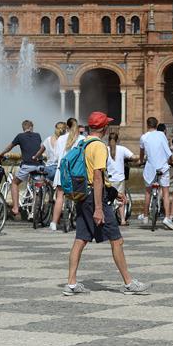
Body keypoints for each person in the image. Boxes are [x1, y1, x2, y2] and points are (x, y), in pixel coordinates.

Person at [63, 111, 149, 296]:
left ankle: (71, 284)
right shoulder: (100, 147)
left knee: (80, 240)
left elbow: (94, 176)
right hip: (95, 199)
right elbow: (97, 177)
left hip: (83, 196)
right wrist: (100, 208)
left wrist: (114, 192)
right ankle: (128, 283)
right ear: (103, 128)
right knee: (117, 240)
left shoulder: (82, 143)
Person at [0, 120, 42, 219]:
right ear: (31, 127)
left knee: (14, 183)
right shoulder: (38, 135)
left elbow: (9, 147)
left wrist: (2, 154)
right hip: (38, 164)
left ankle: (15, 208)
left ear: (23, 128)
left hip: (27, 165)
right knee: (37, 186)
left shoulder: (20, 136)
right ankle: (35, 209)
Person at [138, 117, 173, 230]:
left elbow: (142, 153)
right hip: (163, 167)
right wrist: (171, 161)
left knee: (148, 192)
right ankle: (167, 218)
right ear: (156, 125)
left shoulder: (144, 137)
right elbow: (167, 150)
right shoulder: (161, 135)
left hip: (150, 167)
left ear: (147, 125)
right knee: (166, 192)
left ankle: (145, 216)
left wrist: (141, 161)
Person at [49, 118, 85, 230]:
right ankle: (79, 221)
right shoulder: (82, 139)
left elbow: (55, 156)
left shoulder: (60, 139)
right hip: (76, 172)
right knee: (79, 197)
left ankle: (54, 223)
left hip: (62, 171)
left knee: (60, 196)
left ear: (67, 128)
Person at [107, 133, 135, 226]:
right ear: (117, 140)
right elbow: (133, 157)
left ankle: (107, 218)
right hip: (119, 178)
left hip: (109, 178)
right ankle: (122, 220)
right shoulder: (122, 149)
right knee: (121, 198)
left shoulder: (105, 149)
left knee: (107, 199)